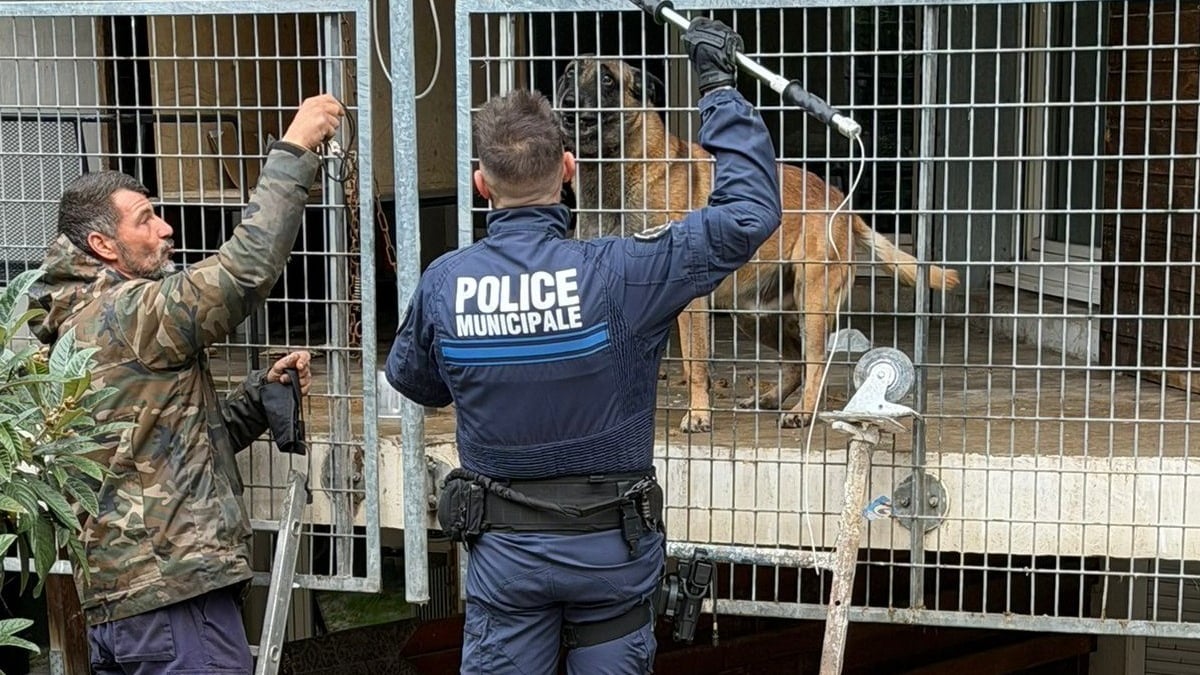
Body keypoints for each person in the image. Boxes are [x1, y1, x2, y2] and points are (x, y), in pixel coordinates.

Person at [386, 17, 782, 675]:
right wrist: (717, 87)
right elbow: (750, 213)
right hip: (611, 557)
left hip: (507, 561)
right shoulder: (626, 271)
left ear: (482, 184)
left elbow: (419, 382)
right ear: (568, 170)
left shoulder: (444, 284)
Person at [27, 94, 344, 674]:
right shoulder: (123, 314)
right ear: (103, 246)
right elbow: (243, 272)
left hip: (125, 607)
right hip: (173, 596)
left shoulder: (75, 321)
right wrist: (294, 149)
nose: (166, 227)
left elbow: (155, 446)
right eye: (145, 219)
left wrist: (255, 398)